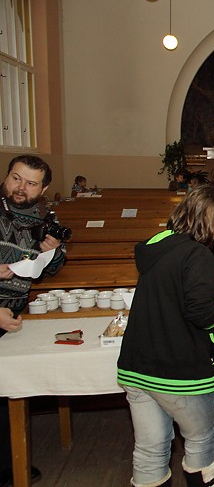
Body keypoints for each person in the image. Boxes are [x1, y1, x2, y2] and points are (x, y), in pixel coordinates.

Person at [117, 185, 214, 487]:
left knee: (149, 448)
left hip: (137, 366)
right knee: (200, 441)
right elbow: (200, 311)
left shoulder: (159, 243)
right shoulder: (199, 255)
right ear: (211, 217)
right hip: (179, 370)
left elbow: (179, 282)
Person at [0, 155, 67, 486]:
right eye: (15, 178)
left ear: (43, 188)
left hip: (14, 309)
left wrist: (51, 249)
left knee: (5, 389)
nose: (20, 187)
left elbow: (51, 268)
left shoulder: (42, 214)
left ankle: (7, 465)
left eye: (30, 183)